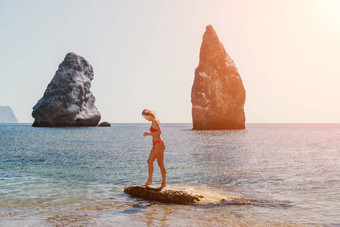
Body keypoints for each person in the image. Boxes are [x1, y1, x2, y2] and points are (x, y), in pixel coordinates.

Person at [142, 109, 166, 187]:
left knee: (160, 163)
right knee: (149, 161)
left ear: (149, 115)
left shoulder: (155, 121)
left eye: (145, 117)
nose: (146, 119)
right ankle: (149, 181)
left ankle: (163, 183)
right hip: (155, 144)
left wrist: (148, 134)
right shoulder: (153, 122)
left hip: (159, 144)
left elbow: (159, 132)